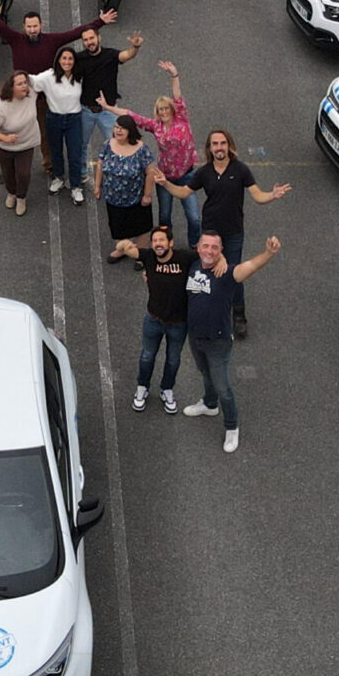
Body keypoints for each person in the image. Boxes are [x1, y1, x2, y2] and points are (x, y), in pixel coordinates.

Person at [156, 129, 291, 339]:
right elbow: (184, 192)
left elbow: (257, 196)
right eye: (214, 144)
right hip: (210, 232)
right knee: (209, 270)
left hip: (234, 232)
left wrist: (272, 195)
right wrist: (166, 184)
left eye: (222, 143)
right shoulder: (204, 172)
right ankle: (208, 308)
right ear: (209, 148)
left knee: (234, 274)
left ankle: (238, 315)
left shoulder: (241, 169)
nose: (219, 147)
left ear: (229, 146)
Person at [0, 0, 117, 180]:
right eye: (29, 27)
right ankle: (10, 167)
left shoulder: (52, 41)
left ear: (41, 25)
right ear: (24, 27)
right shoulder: (15, 39)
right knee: (11, 129)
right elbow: (0, 25)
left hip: (44, 99)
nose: (32, 30)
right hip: (20, 96)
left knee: (45, 134)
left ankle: (49, 165)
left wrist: (100, 22)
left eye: (35, 26)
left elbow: (74, 33)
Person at [182, 234, 282, 453]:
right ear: (198, 248)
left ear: (221, 250)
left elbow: (252, 265)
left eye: (214, 248)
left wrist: (269, 253)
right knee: (205, 374)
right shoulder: (192, 264)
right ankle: (209, 405)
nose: (209, 251)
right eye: (205, 246)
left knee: (223, 388)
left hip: (218, 341)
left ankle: (231, 426)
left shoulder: (227, 273)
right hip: (195, 336)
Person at [99, 60, 199, 245]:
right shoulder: (156, 126)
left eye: (166, 108)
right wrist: (108, 108)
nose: (163, 111)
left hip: (187, 176)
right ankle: (166, 244)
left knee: (194, 217)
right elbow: (131, 115)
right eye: (160, 109)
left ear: (172, 109)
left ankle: (194, 243)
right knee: (164, 215)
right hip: (164, 177)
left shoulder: (182, 119)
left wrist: (174, 75)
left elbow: (177, 96)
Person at [109, 226, 189, 414]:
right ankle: (142, 387)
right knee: (147, 356)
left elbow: (207, 256)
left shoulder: (185, 258)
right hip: (153, 319)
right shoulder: (148, 256)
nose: (158, 244)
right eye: (155, 241)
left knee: (173, 360)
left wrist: (222, 260)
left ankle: (167, 389)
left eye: (162, 240)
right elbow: (124, 248)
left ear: (171, 243)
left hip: (178, 322)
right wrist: (124, 244)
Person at [73, 24, 144, 164]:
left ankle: (115, 173)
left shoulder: (110, 55)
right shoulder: (80, 58)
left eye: (92, 38)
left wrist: (135, 47)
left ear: (99, 37)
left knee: (116, 144)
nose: (89, 42)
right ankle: (81, 173)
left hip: (108, 111)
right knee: (81, 144)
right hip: (86, 110)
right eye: (86, 40)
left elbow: (127, 55)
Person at [94, 114, 158, 258]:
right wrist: (97, 186)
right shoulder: (107, 145)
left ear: (130, 131)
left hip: (135, 198)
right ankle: (122, 249)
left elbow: (150, 172)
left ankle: (141, 254)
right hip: (113, 199)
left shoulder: (141, 149)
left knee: (140, 228)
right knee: (118, 226)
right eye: (116, 127)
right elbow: (100, 164)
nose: (118, 131)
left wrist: (147, 195)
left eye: (122, 128)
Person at [0, 71, 41, 215]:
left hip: (26, 144)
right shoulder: (1, 106)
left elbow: (42, 78)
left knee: (23, 174)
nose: (24, 86)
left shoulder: (32, 93)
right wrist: (4, 138)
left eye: (25, 83)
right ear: (11, 88)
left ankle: (21, 197)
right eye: (19, 84)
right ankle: (11, 193)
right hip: (5, 147)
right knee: (8, 173)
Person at [33, 45, 87, 203]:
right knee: (55, 151)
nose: (67, 61)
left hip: (74, 120)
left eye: (70, 58)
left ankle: (76, 186)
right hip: (54, 119)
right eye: (64, 58)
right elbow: (31, 80)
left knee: (75, 154)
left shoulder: (80, 76)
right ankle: (59, 178)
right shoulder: (48, 76)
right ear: (58, 60)